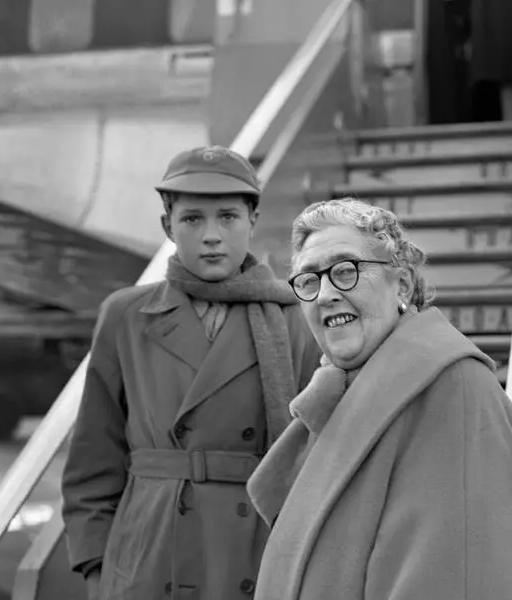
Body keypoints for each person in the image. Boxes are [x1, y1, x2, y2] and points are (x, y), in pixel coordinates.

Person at [61, 145, 322, 600]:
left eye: (227, 217)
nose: (212, 236)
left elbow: (313, 458)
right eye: (192, 219)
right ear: (168, 226)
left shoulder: (292, 319)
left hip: (249, 550)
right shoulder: (126, 315)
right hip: (146, 553)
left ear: (252, 221)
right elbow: (93, 457)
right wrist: (97, 570)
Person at [247, 198, 512, 600]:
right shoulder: (346, 394)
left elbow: (458, 581)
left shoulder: (456, 394)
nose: (325, 294)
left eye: (346, 270)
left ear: (401, 284)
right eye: (309, 280)